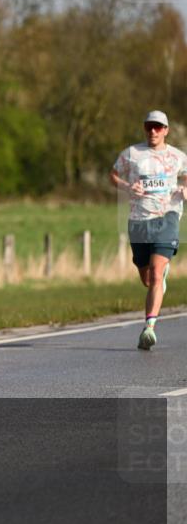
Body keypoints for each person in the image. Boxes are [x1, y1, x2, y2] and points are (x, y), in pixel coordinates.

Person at [110, 110, 187, 350]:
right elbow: (113, 175)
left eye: (158, 127)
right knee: (146, 277)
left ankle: (149, 328)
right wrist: (126, 186)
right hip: (139, 220)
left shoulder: (178, 156)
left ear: (166, 130)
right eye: (149, 127)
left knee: (155, 273)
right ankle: (158, 279)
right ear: (145, 128)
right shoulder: (132, 154)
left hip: (167, 217)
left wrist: (185, 189)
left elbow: (186, 178)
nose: (153, 131)